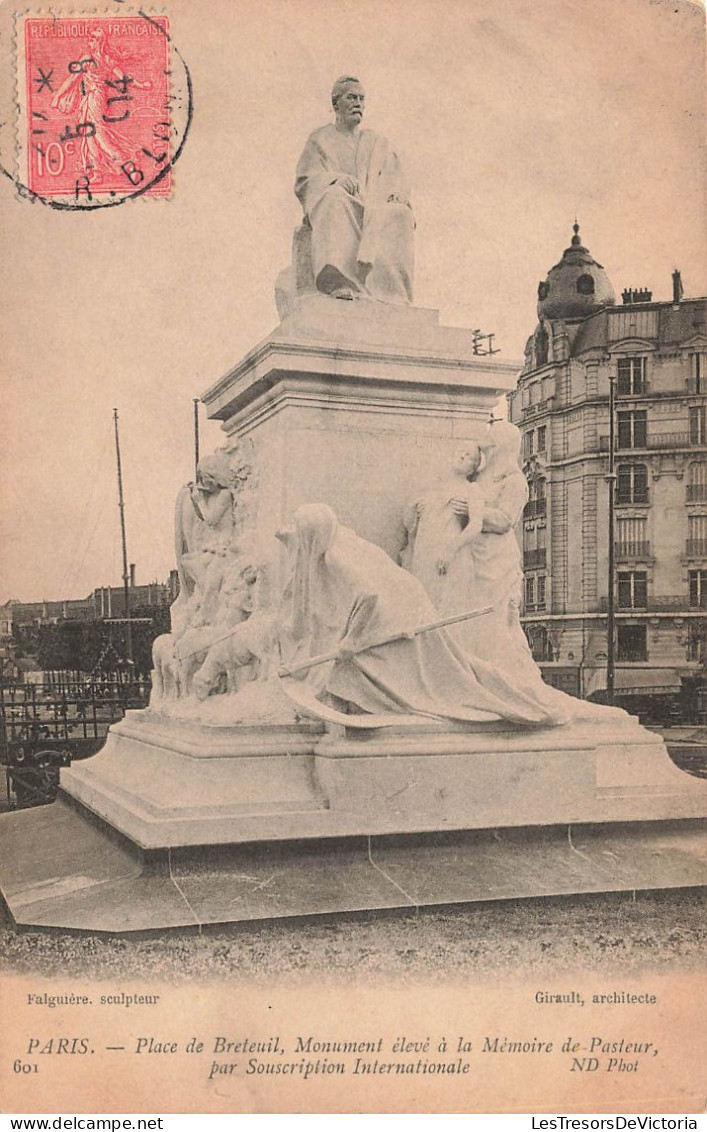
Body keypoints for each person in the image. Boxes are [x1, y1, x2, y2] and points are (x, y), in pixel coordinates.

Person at [276, 504, 579, 727]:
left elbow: (368, 595)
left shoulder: (336, 557)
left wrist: (351, 640)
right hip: (405, 604)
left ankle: (529, 703)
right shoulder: (341, 539)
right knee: (455, 669)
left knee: (443, 678)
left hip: (399, 616)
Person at [294, 77, 414, 303]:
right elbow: (305, 179)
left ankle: (392, 294)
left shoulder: (376, 142)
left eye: (362, 99)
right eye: (352, 98)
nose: (358, 103)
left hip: (372, 207)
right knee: (334, 198)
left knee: (401, 213)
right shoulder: (320, 139)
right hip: (341, 203)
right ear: (336, 104)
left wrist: (397, 194)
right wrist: (334, 180)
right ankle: (339, 282)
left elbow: (394, 177)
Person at [403, 444, 485, 610]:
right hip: (424, 553)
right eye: (461, 451)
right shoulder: (433, 487)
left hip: (450, 556)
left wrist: (450, 550)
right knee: (423, 605)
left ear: (472, 469)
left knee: (446, 608)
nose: (462, 456)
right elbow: (409, 524)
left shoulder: (472, 489)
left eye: (469, 456)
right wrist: (415, 508)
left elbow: (476, 525)